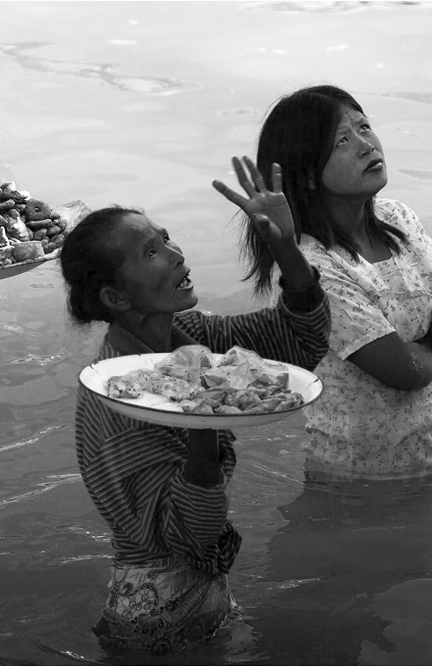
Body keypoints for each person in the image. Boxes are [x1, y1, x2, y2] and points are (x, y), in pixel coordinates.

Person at [58, 159, 330, 654]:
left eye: (167, 239)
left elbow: (300, 341)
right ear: (116, 295)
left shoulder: (191, 342)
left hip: (200, 590)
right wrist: (203, 416)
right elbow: (186, 531)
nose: (177, 254)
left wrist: (285, 247)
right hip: (154, 608)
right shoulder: (119, 402)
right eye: (152, 252)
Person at [242, 85, 432, 480]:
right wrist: (424, 349)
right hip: (362, 480)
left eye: (364, 127)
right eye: (342, 141)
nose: (366, 145)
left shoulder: (399, 219)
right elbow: (404, 373)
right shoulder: (313, 264)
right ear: (308, 175)